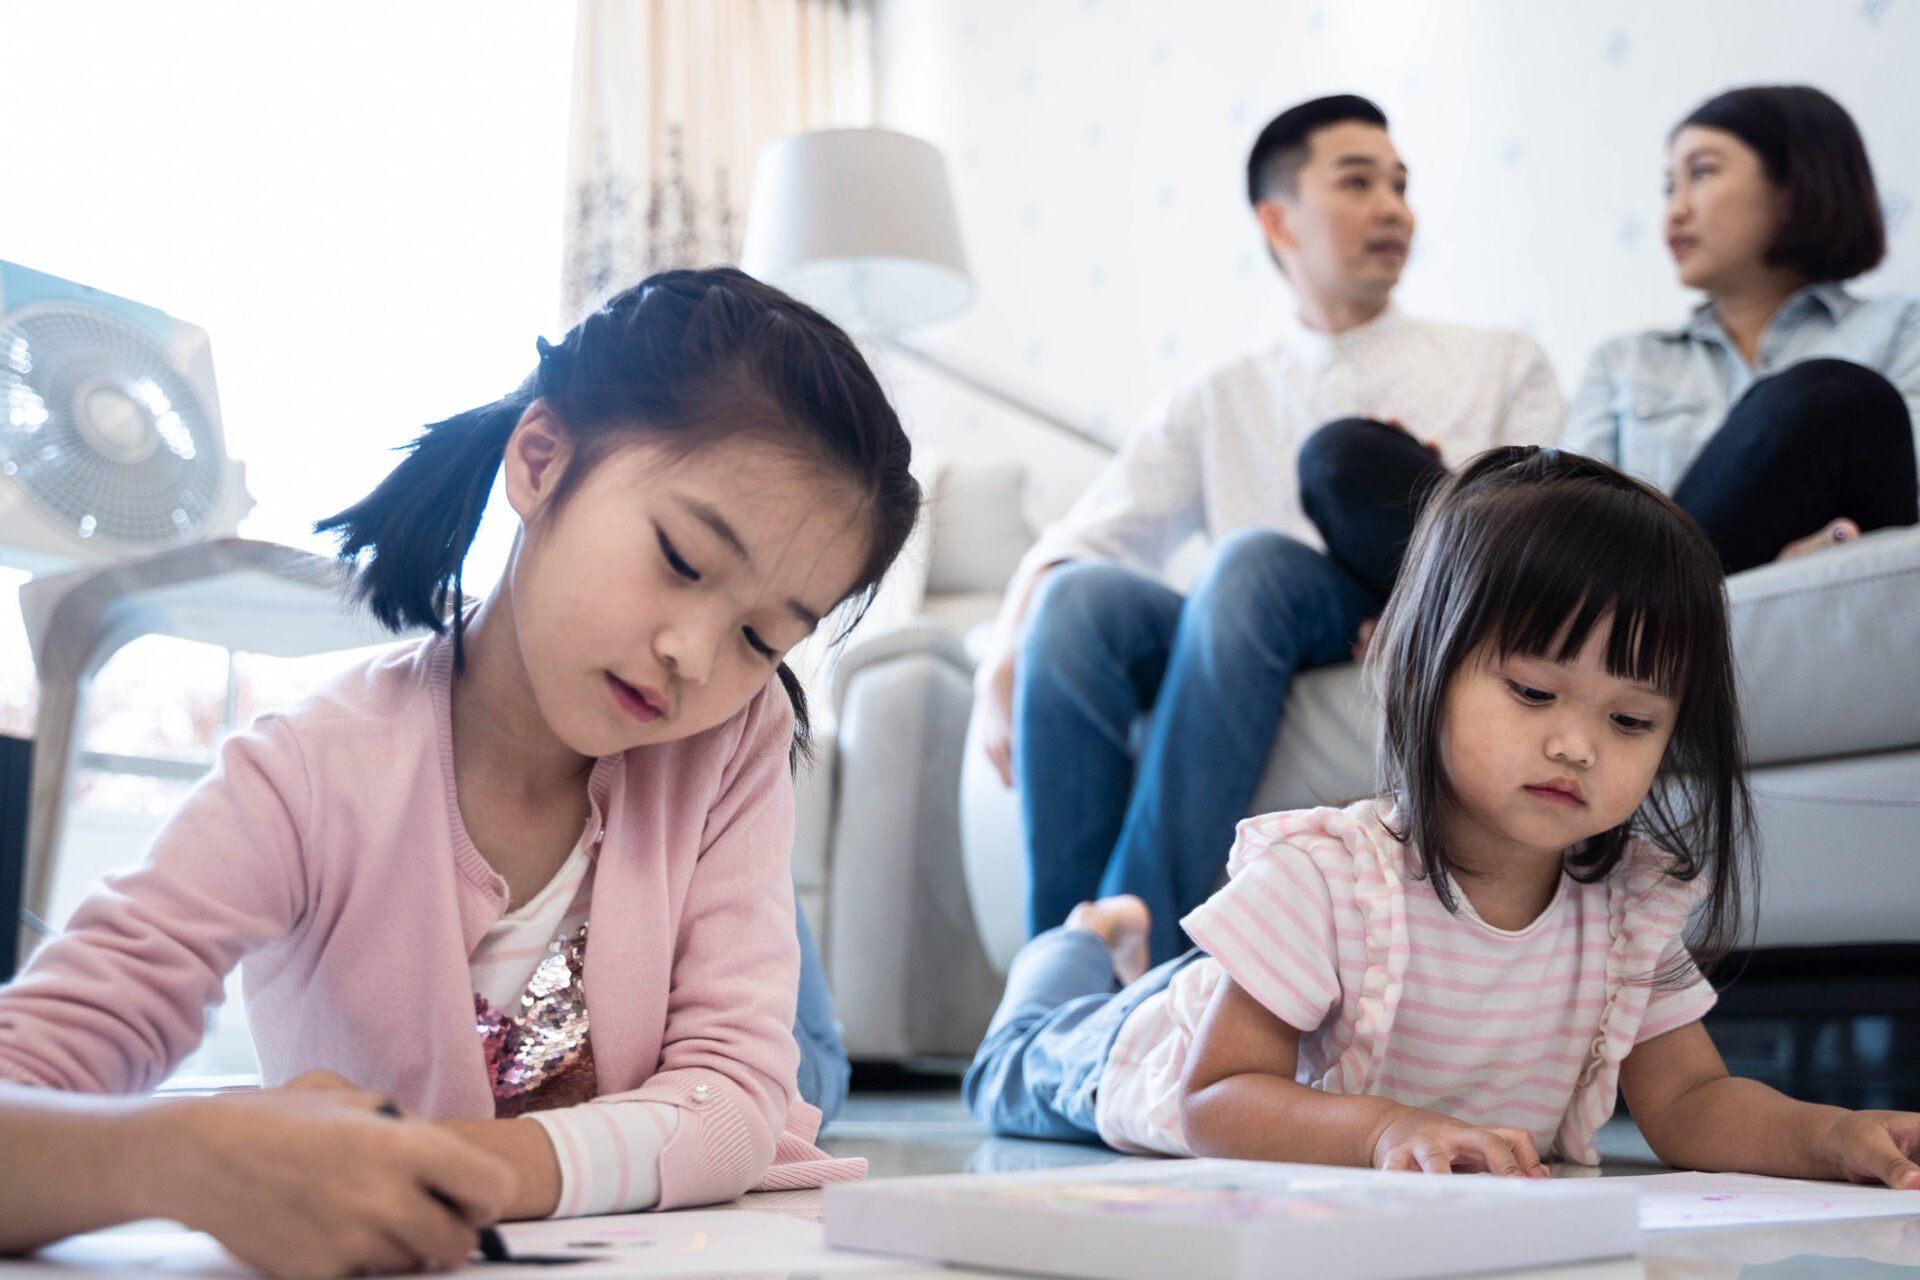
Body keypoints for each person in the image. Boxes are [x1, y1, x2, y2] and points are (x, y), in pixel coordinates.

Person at [0, 267, 916, 1274]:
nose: (694, 655)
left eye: (759, 636)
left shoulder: (731, 737)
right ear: (541, 458)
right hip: (686, 1062)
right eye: (685, 560)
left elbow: (736, 1101)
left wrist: (430, 1159)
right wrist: (185, 1156)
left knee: (801, 1069)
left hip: (746, 1097)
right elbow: (27, 1076)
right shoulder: (306, 771)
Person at [964, 447, 1920, 1189]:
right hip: (1130, 1056)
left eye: (1630, 720)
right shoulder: (1329, 875)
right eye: (1536, 693)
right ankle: (1085, 939)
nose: (1579, 746)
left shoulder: (1629, 909)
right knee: (1012, 1060)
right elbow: (1215, 1099)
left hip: (1270, 1039)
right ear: (1425, 670)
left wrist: (1829, 1135)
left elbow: (1692, 1103)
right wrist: (1387, 1129)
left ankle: (1113, 943)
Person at [972, 94, 1563, 967]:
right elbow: (1088, 534)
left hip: (1398, 612)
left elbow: (1551, 543)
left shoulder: (1498, 361)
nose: (1394, 207)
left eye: (1400, 185)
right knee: (1079, 601)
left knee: (1248, 562)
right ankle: (1052, 980)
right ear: (1277, 220)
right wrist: (1000, 659)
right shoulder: (1222, 391)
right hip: (1241, 628)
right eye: (1358, 182)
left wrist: (1422, 613)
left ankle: (1133, 965)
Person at [1565, 85, 1919, 572]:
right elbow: (1566, 541)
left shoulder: (1902, 329)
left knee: (1836, 394)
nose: (1676, 210)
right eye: (1669, 188)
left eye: (1702, 173)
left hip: (1847, 610)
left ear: (1796, 185)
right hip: (1657, 626)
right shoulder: (1624, 362)